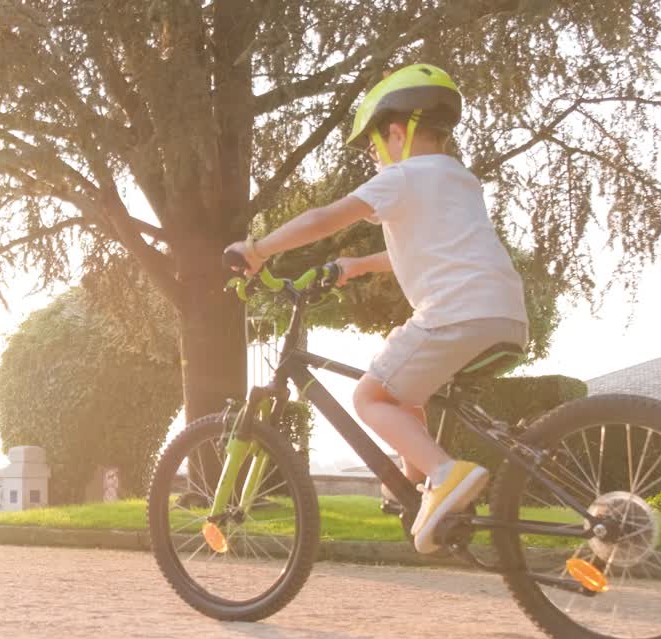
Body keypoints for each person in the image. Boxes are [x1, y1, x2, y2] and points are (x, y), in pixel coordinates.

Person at [225, 63, 528, 554]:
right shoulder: (458, 179)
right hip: (504, 314)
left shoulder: (404, 176)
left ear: (396, 131)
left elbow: (326, 217)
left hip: (453, 312)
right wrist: (360, 265)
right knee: (406, 392)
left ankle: (444, 474)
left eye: (371, 147)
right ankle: (421, 486)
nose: (373, 158)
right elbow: (428, 247)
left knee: (369, 397)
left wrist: (257, 250)